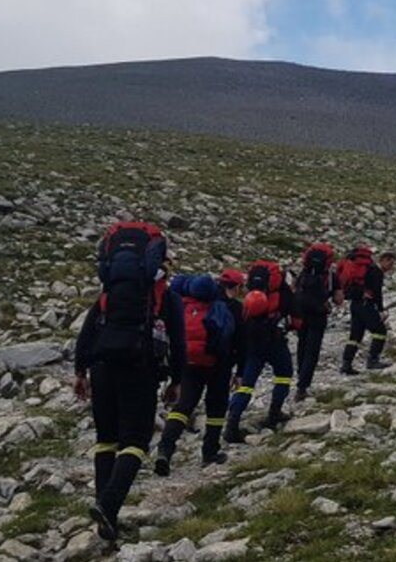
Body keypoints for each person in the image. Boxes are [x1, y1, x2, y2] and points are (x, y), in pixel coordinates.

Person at [74, 222, 184, 541]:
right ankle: (108, 506)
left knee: (106, 439)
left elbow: (87, 332)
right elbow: (179, 344)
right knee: (135, 441)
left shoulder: (108, 293)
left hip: (102, 368)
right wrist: (176, 381)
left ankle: (104, 516)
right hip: (140, 368)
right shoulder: (165, 298)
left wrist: (80, 372)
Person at [154, 274, 236, 476]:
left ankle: (165, 449)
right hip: (217, 364)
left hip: (188, 363)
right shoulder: (223, 308)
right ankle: (210, 452)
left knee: (183, 407)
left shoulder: (183, 307)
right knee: (216, 409)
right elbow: (233, 338)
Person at [224, 260, 294, 442]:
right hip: (275, 341)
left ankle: (232, 422)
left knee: (247, 384)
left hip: (253, 344)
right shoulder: (280, 292)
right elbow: (293, 313)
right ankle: (274, 413)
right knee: (284, 375)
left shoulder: (249, 297)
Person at [292, 243, 341, 400]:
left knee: (302, 344)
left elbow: (294, 289)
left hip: (301, 313)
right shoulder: (331, 276)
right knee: (312, 351)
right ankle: (302, 386)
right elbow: (339, 299)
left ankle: (300, 375)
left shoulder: (303, 272)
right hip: (319, 315)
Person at [338, 247, 396, 374]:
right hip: (366, 305)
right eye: (390, 263)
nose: (391, 267)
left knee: (355, 336)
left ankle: (346, 364)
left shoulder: (366, 269)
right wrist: (381, 310)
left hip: (355, 304)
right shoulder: (376, 271)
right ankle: (373, 360)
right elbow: (377, 293)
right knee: (380, 331)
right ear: (384, 260)